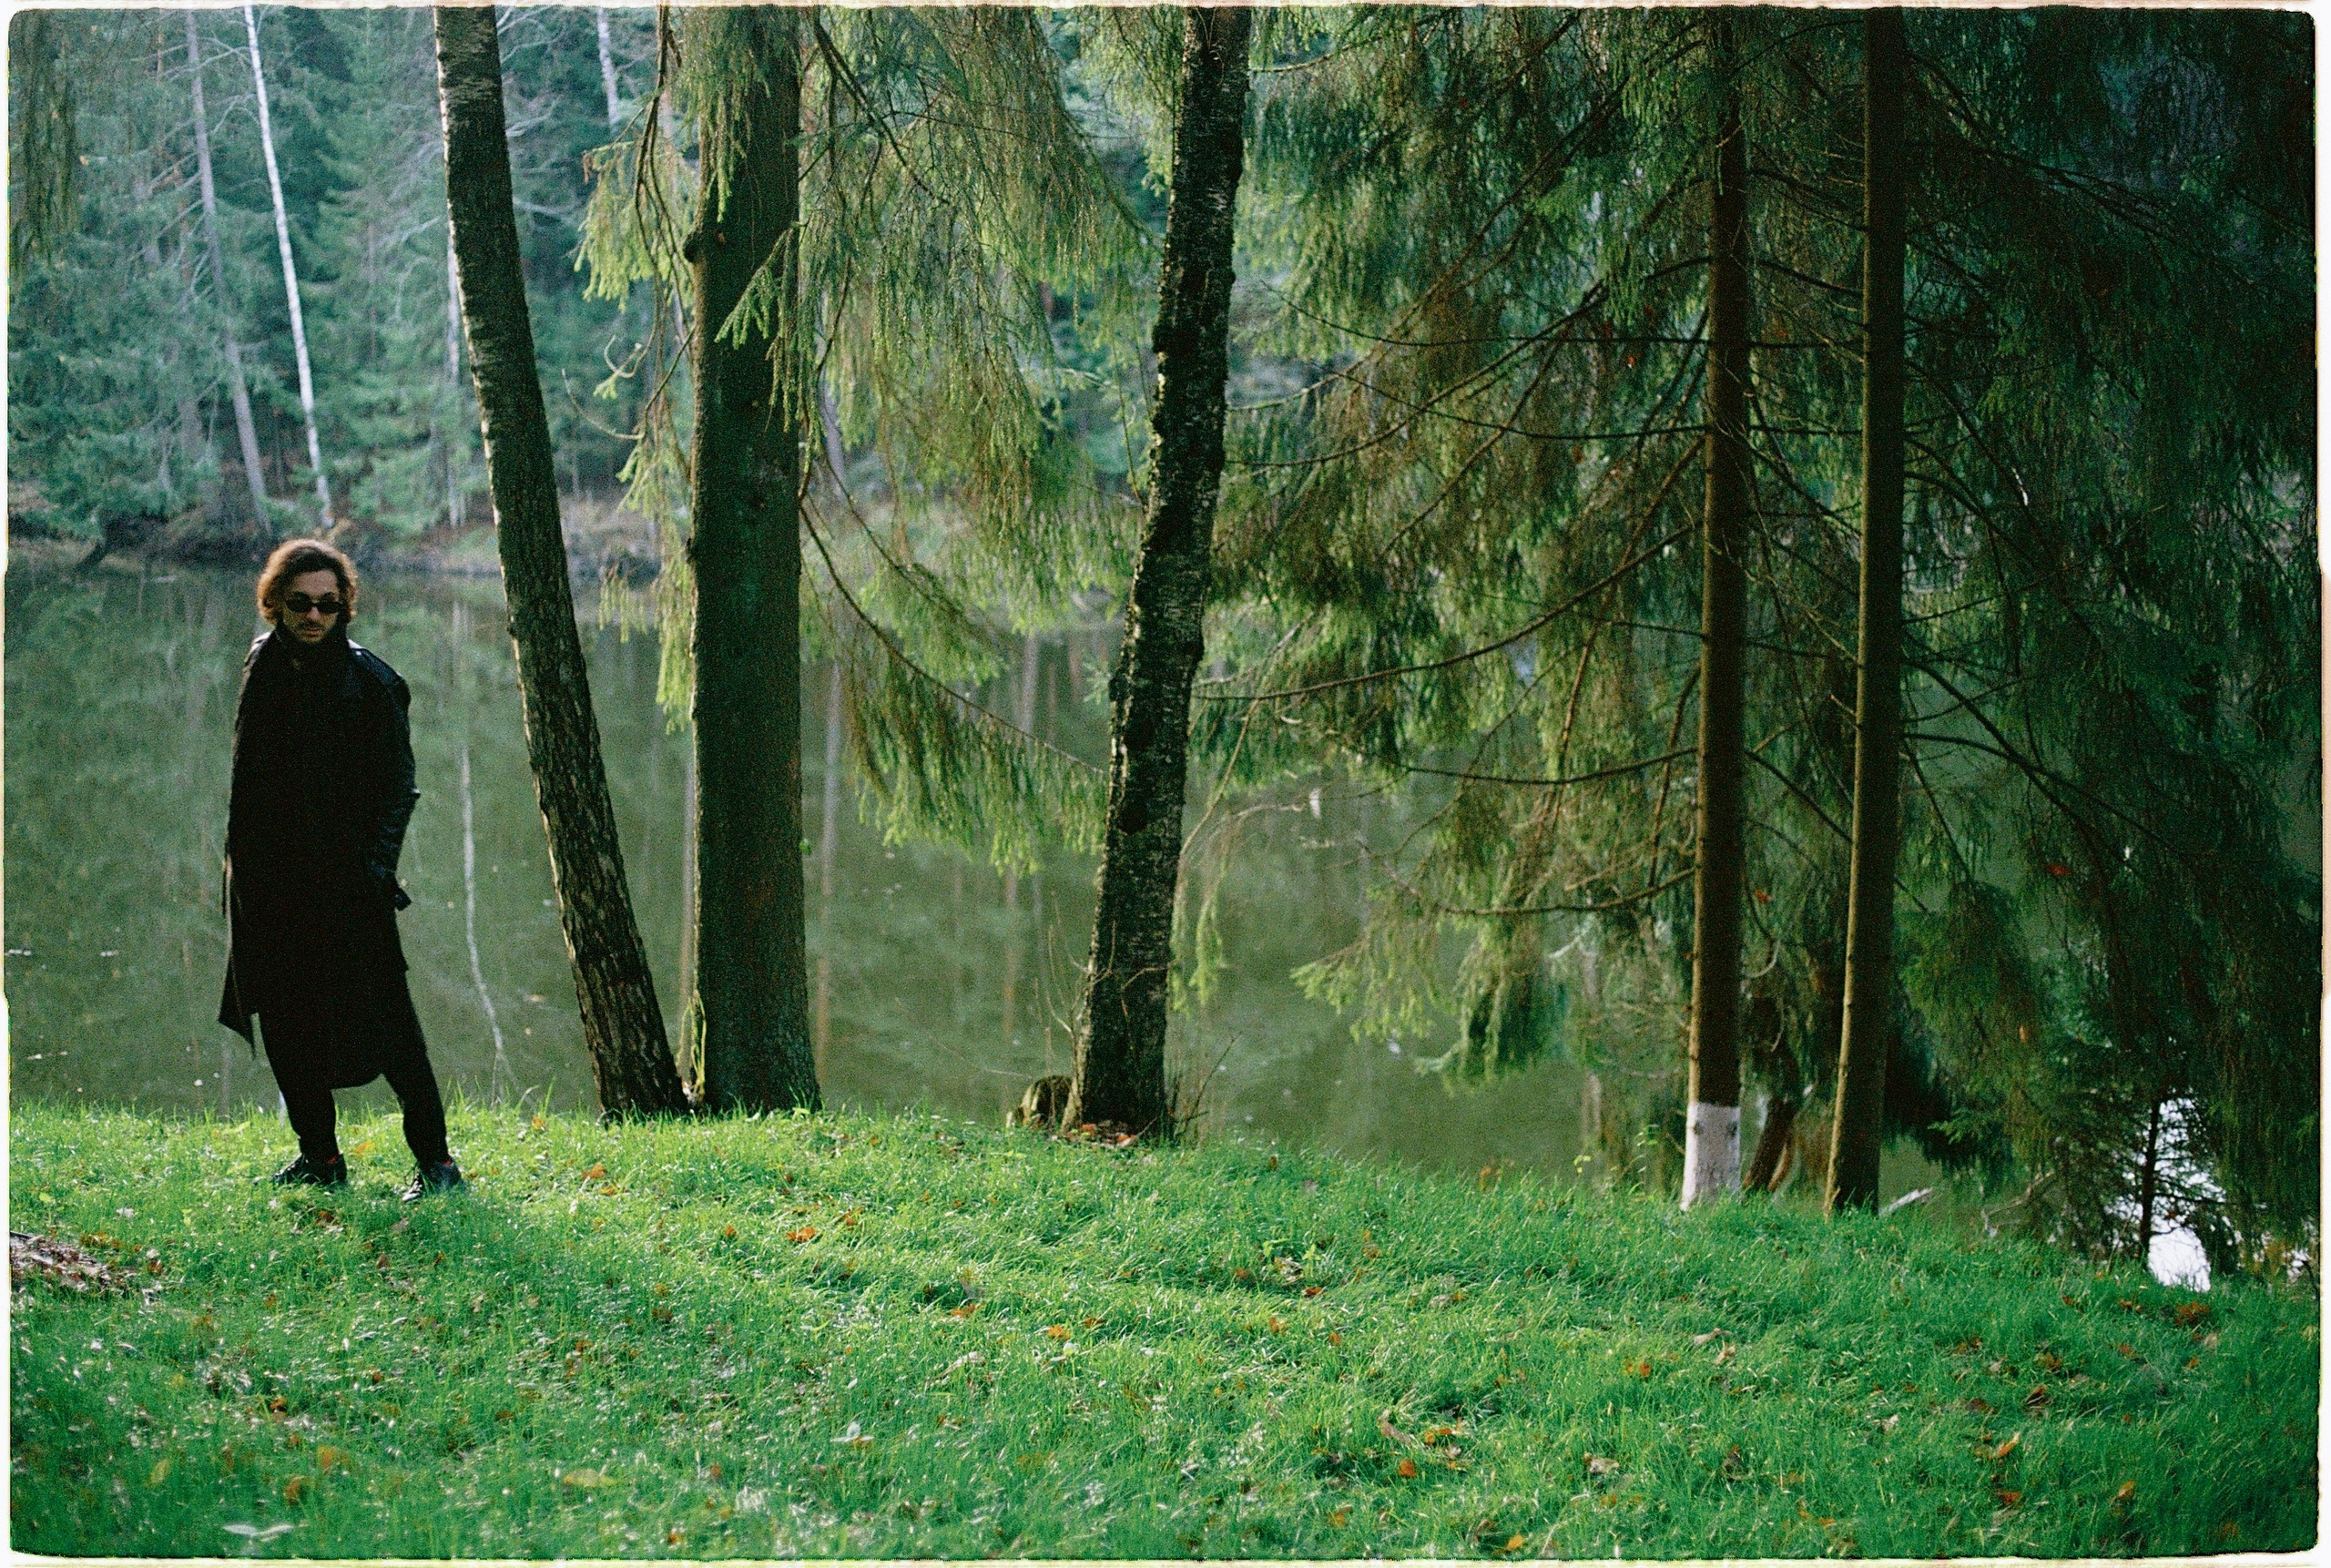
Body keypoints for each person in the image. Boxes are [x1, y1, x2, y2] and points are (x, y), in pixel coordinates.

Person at [219, 539, 463, 1199]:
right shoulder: (262, 663)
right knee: (286, 1025)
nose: (315, 616)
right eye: (300, 603)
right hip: (270, 887)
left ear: (344, 606)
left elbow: (398, 789)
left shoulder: (373, 683)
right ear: (273, 603)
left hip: (347, 886)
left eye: (328, 604)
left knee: (391, 1028)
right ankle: (321, 1160)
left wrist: (373, 872)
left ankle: (438, 1166)